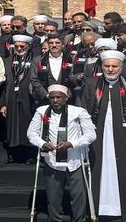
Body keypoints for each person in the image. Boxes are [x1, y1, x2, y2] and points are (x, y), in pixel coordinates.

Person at [80, 50, 126, 220]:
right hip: (97, 135)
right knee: (98, 168)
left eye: (114, 66)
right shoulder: (92, 83)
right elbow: (83, 109)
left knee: (124, 171)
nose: (110, 69)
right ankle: (96, 209)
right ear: (101, 66)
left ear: (121, 67)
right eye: (107, 66)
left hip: (124, 135)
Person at [26, 84, 97, 222]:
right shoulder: (42, 111)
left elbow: (91, 135)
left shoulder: (79, 112)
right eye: (52, 97)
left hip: (74, 161)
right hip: (52, 161)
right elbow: (31, 133)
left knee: (78, 197)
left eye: (59, 97)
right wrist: (42, 144)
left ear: (66, 98)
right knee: (53, 197)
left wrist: (71, 144)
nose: (55, 100)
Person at [0, 34, 39, 163]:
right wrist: (3, 104)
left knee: (27, 125)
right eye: (16, 46)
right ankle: (13, 154)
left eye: (22, 46)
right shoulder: (7, 60)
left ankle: (30, 155)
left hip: (28, 99)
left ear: (28, 46)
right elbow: (4, 85)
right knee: (11, 126)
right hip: (11, 97)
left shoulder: (35, 60)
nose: (19, 48)